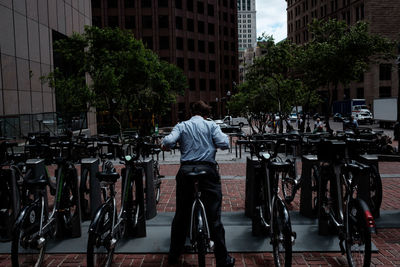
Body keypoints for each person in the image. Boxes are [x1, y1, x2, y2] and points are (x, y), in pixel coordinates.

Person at [161, 100, 235, 267]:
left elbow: (167, 142)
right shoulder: (211, 126)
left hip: (186, 171)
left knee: (181, 215)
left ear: (191, 112)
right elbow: (224, 143)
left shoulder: (182, 125)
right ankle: (223, 260)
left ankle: (174, 256)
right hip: (207, 171)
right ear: (206, 114)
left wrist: (168, 145)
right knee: (214, 217)